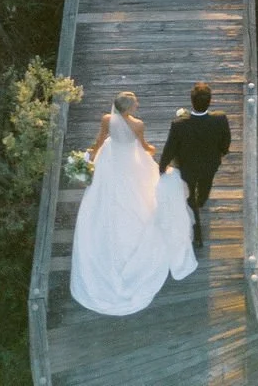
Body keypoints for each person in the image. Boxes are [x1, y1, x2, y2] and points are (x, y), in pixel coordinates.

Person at [69, 90, 197, 315]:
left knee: (108, 196)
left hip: (110, 158)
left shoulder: (107, 119)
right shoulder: (138, 124)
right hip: (130, 161)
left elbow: (99, 141)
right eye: (135, 102)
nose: (137, 104)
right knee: (140, 194)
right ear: (127, 108)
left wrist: (89, 158)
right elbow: (145, 146)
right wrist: (152, 150)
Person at [158, 82, 231, 248]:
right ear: (209, 101)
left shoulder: (179, 124)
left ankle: (197, 234)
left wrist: (161, 167)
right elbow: (226, 142)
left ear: (192, 101)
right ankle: (203, 200)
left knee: (189, 196)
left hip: (187, 166)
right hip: (210, 164)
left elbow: (170, 148)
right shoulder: (220, 119)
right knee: (206, 185)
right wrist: (221, 153)